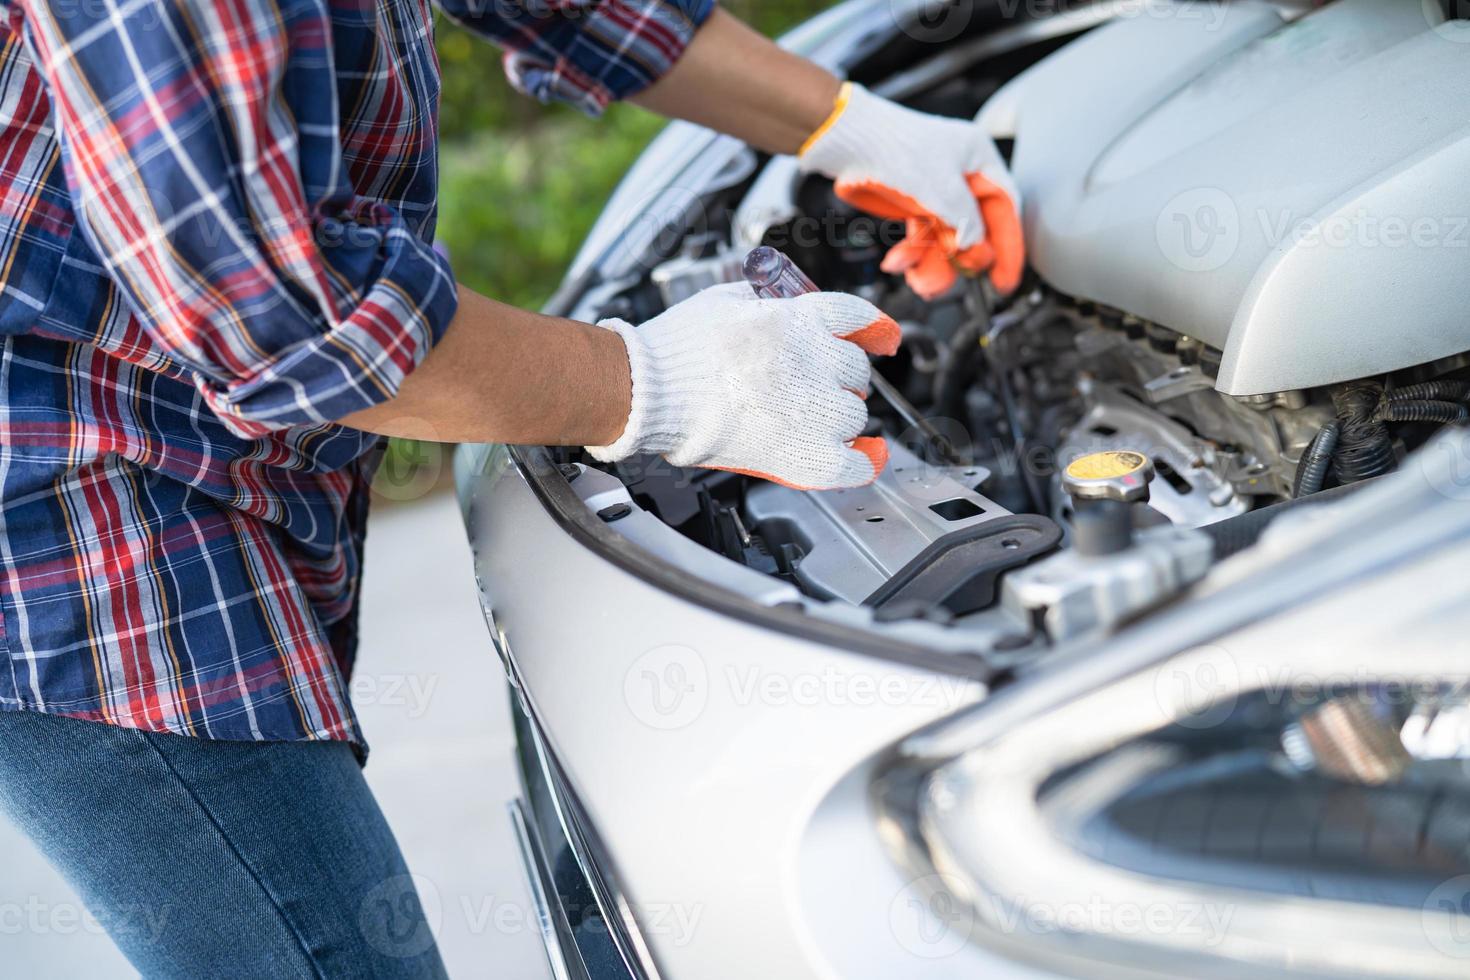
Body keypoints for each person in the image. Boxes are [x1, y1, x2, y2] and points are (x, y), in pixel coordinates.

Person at [0, 0, 1021, 974]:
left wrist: (850, 122)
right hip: (65, 507)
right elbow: (275, 316)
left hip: (212, 439)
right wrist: (653, 384)